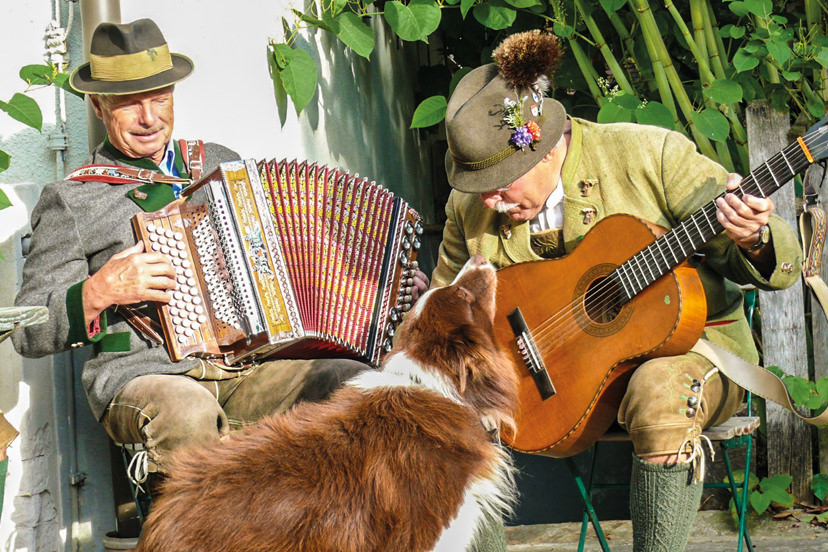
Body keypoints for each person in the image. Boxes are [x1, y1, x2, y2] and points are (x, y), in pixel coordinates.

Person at [432, 31, 802, 551]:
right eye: (479, 188)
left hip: (694, 351)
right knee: (441, 409)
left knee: (659, 392)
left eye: (501, 183)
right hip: (552, 383)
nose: (490, 202)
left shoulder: (650, 154)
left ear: (538, 150)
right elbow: (447, 317)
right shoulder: (468, 209)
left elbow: (778, 261)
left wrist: (753, 236)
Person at [12, 19, 405, 491]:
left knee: (353, 382)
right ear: (98, 105)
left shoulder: (220, 162)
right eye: (129, 103)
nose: (149, 117)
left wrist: (374, 284)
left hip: (245, 369)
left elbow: (290, 254)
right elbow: (28, 331)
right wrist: (99, 291)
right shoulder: (73, 199)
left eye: (159, 99)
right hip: (142, 376)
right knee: (187, 410)